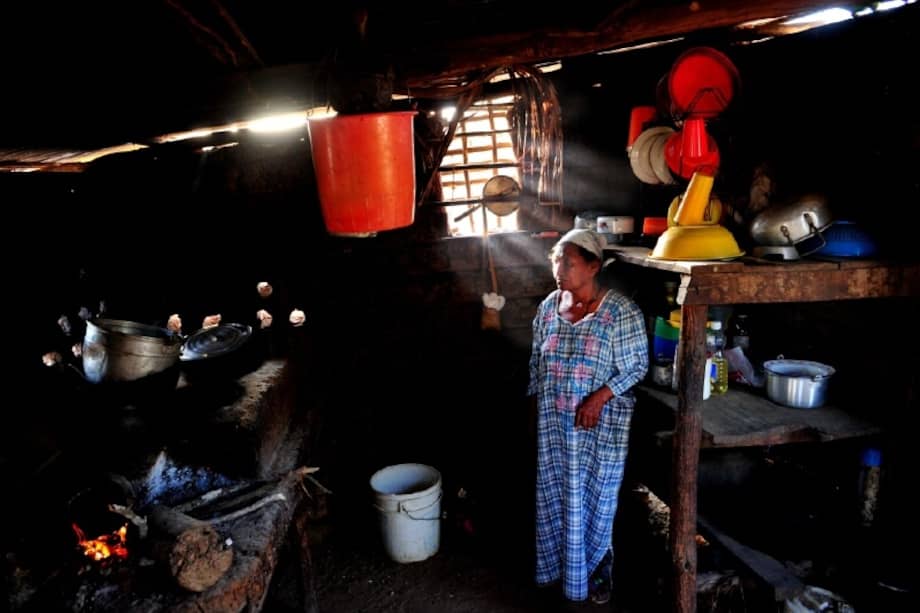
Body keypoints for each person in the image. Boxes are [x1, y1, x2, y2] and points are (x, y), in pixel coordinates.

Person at [527, 228, 648, 604]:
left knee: (596, 500)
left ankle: (598, 572)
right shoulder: (549, 307)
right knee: (556, 497)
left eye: (568, 262)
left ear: (594, 266)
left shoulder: (619, 312)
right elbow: (536, 361)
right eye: (556, 261)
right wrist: (535, 403)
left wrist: (599, 397)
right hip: (554, 427)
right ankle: (558, 569)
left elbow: (637, 366)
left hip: (598, 428)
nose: (559, 269)